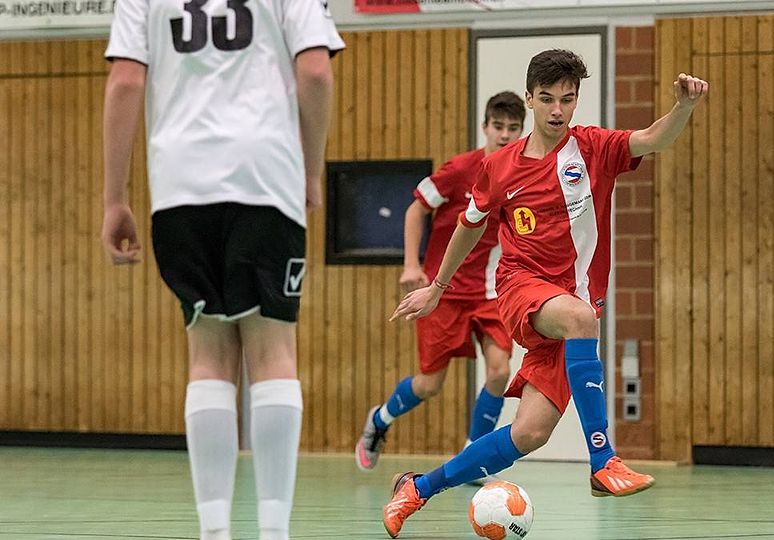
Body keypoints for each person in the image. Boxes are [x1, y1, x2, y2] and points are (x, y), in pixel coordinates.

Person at [385, 49, 707, 538]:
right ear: (530, 99)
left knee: (529, 433)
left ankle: (417, 489)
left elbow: (653, 138)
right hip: (521, 288)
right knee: (580, 318)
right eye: (548, 99)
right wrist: (437, 287)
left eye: (568, 99)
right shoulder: (499, 166)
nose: (558, 110)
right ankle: (603, 460)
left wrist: (683, 107)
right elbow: (469, 226)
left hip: (572, 308)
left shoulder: (594, 148)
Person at [101, 1, 343, 538]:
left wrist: (114, 198)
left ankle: (213, 532)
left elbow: (125, 82)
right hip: (265, 178)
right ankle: (274, 531)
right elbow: (315, 71)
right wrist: (309, 169)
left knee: (207, 355)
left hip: (180, 187)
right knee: (273, 352)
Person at [355, 92, 525, 478]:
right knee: (429, 384)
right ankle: (380, 420)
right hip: (442, 292)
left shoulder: (521, 175)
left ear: (521, 131)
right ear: (485, 127)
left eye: (513, 128)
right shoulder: (459, 170)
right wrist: (411, 265)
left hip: (490, 293)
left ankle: (473, 458)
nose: (504, 135)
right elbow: (416, 208)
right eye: (498, 127)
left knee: (500, 372)